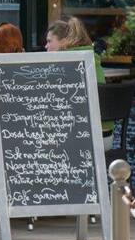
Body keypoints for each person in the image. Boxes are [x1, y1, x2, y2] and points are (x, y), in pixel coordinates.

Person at [45, 17, 114, 149]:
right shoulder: (92, 58)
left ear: (64, 42)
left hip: (86, 138)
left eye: (49, 41)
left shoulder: (67, 64)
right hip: (107, 138)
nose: (46, 46)